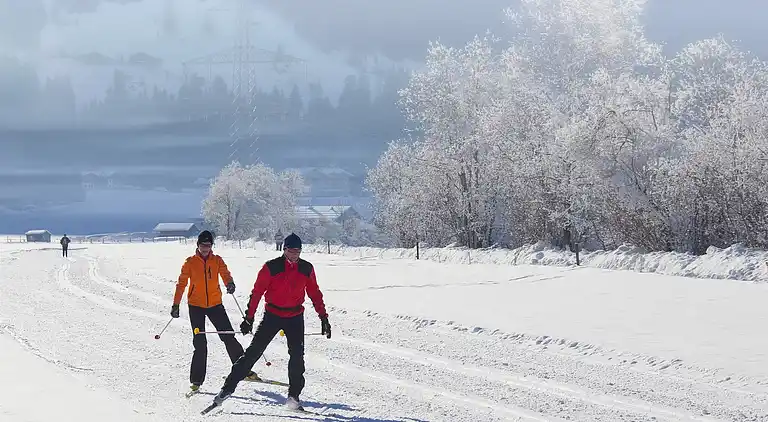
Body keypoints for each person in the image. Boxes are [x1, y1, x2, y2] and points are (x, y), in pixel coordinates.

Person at [212, 233, 331, 411]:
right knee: (253, 353)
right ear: (284, 250)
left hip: (295, 317)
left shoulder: (306, 268)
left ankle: (293, 398)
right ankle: (226, 390)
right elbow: (257, 293)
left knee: (297, 357)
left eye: (297, 251)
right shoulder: (271, 267)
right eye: (291, 251)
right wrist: (249, 318)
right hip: (273, 315)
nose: (294, 255)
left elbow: (314, 293)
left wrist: (323, 317)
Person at [171, 230, 259, 393]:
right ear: (198, 245)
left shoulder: (216, 260)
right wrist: (176, 304)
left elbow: (225, 273)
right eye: (203, 245)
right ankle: (196, 380)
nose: (206, 248)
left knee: (228, 337)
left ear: (212, 246)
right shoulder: (190, 262)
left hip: (215, 304)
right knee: (200, 343)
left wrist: (229, 283)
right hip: (196, 306)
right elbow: (181, 283)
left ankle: (243, 370)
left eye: (208, 245)